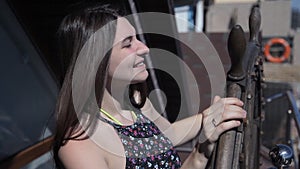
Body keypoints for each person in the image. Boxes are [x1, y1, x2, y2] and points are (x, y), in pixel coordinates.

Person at [52, 3, 247, 169]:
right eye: (128, 44)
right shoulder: (79, 144)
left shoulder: (134, 101)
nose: (144, 49)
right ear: (95, 60)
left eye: (137, 38)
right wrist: (199, 155)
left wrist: (210, 117)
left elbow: (167, 134)